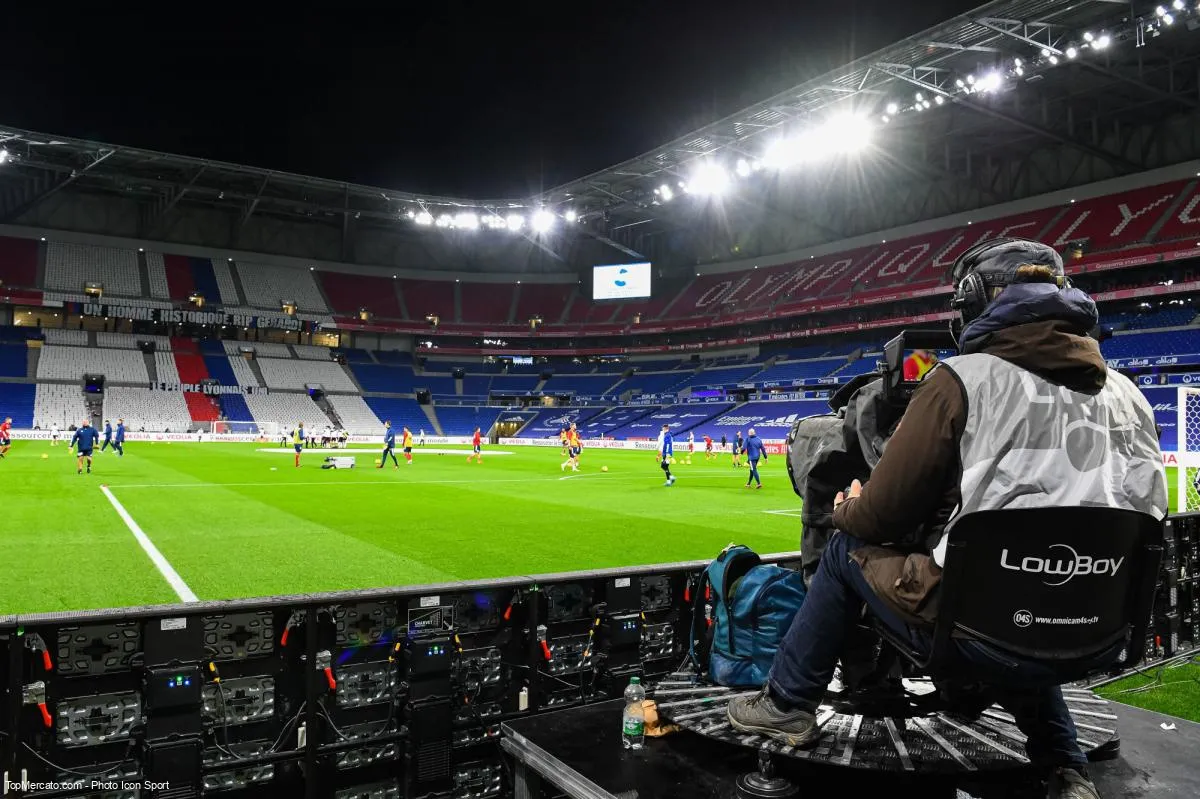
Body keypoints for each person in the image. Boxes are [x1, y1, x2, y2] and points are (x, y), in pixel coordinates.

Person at [726, 238, 1167, 799]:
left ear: (975, 303)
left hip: (977, 627)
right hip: (1099, 629)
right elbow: (1146, 516)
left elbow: (883, 515)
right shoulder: (1131, 395)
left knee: (850, 551)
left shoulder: (964, 378)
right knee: (1024, 592)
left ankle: (785, 705)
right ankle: (1064, 764)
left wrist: (843, 511)